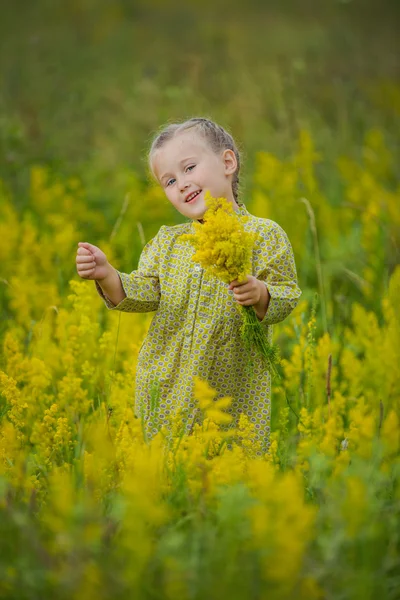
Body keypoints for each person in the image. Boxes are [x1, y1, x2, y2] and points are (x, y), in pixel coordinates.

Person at [75, 117, 301, 454]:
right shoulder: (169, 242)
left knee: (229, 463)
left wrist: (260, 294)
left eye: (190, 168)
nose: (181, 184)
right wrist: (107, 274)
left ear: (227, 162)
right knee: (170, 464)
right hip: (167, 382)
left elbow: (287, 292)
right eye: (169, 181)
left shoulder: (264, 235)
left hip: (231, 386)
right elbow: (143, 292)